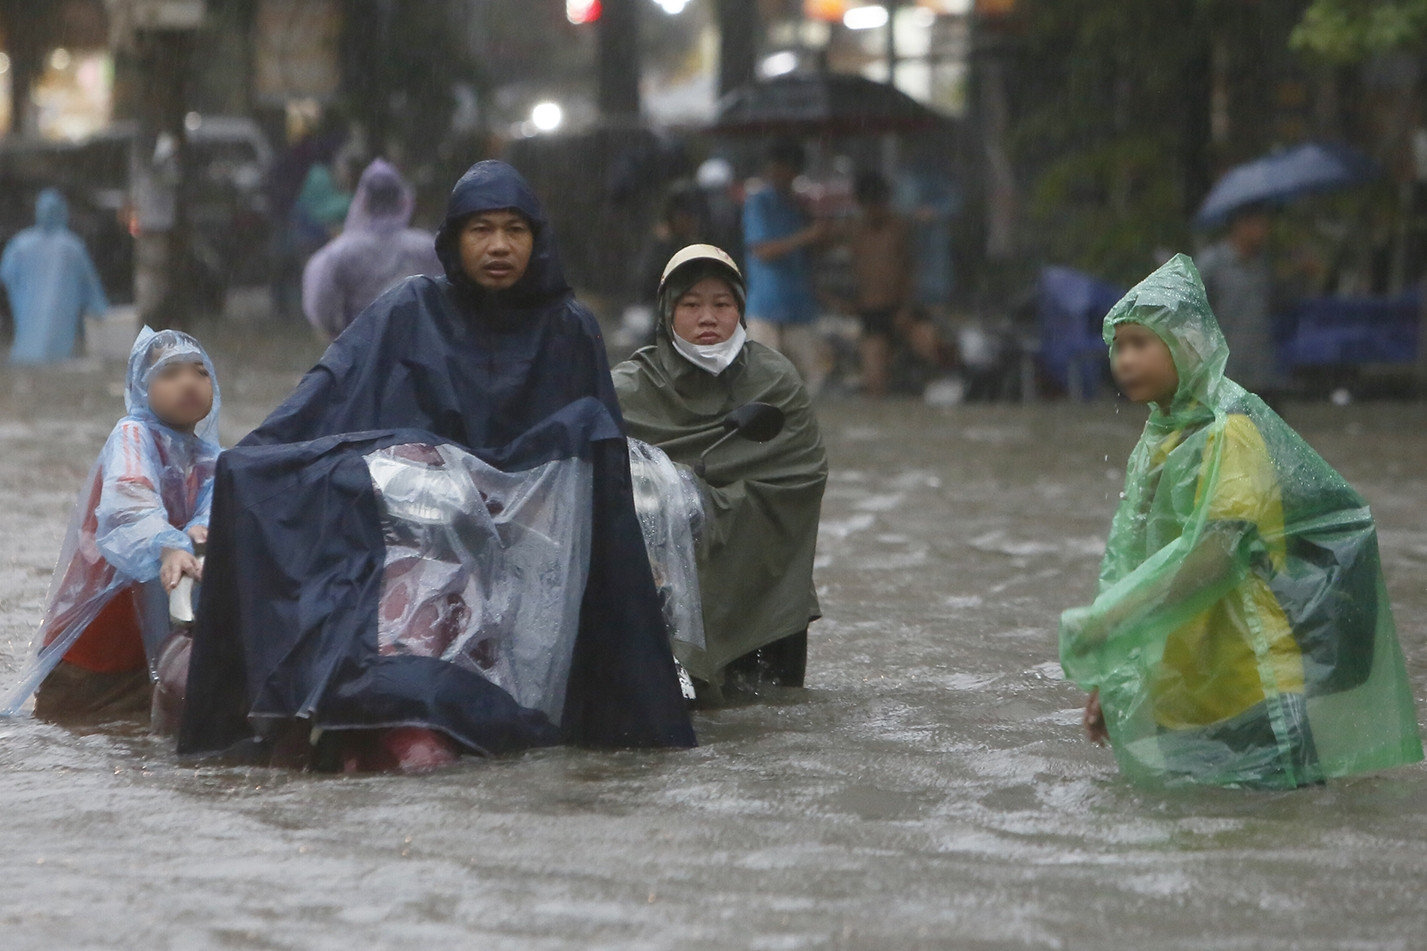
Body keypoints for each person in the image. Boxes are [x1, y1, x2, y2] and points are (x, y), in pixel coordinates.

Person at [178, 160, 696, 771]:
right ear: (452, 241)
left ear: (538, 240)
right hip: (421, 545)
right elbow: (320, 401)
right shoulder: (408, 311)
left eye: (514, 230)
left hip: (535, 556)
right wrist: (243, 472)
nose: (499, 245)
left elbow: (598, 470)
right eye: (480, 230)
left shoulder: (570, 330)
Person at [1060, 254, 1421, 789]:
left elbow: (1214, 554)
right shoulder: (1158, 441)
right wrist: (1113, 678)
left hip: (1253, 687)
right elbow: (1132, 558)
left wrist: (1109, 625)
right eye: (1119, 346)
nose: (1124, 360)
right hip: (1182, 696)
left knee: (1272, 842)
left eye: (1141, 343)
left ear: (1185, 346)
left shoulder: (1230, 433)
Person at [613, 244, 826, 700]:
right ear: (668, 311)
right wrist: (671, 501)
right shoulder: (627, 389)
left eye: (722, 304)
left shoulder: (776, 381)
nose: (707, 318)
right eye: (691, 305)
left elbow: (801, 481)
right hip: (664, 592)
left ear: (741, 311)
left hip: (763, 585)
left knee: (767, 725)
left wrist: (707, 504)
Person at [0, 328, 219, 721]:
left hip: (154, 653)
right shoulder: (132, 437)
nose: (188, 382)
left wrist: (201, 531)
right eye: (170, 374)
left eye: (199, 372)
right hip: (92, 657)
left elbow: (217, 507)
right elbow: (128, 502)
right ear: (141, 387)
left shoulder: (207, 458)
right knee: (77, 744)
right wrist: (166, 545)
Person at [302, 159, 442, 340]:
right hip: (416, 347)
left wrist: (335, 331)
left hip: (362, 349)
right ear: (402, 200)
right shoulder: (426, 247)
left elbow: (320, 304)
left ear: (363, 200)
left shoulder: (339, 252)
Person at [846, 171, 943, 397]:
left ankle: (938, 387)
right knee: (874, 379)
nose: (874, 211)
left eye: (878, 205)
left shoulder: (899, 228)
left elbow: (910, 271)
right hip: (872, 312)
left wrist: (905, 309)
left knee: (931, 347)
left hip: (901, 307)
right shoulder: (852, 230)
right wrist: (834, 300)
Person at [742, 139, 828, 391]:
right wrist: (806, 236)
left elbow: (811, 254)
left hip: (800, 305)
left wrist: (822, 236)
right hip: (766, 306)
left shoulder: (799, 206)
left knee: (815, 376)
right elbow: (762, 251)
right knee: (762, 383)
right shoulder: (759, 203)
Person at [1, 188, 108, 365]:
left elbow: (6, 274)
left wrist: (22, 293)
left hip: (27, 316)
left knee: (30, 349)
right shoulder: (72, 246)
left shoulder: (21, 244)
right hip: (62, 323)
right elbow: (90, 286)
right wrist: (101, 310)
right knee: (57, 354)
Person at [1196, 205, 1288, 402]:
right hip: (1224, 373)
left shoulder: (1264, 265)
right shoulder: (1213, 264)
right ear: (1240, 225)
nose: (1264, 231)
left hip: (1260, 373)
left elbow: (1276, 305)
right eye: (1258, 224)